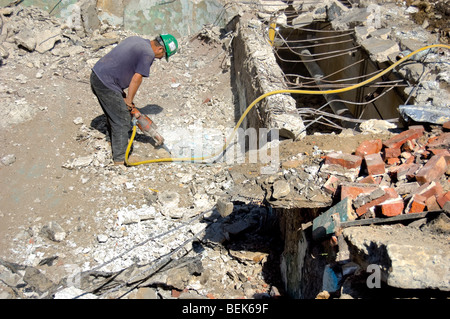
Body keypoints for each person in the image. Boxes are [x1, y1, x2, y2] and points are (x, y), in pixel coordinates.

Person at [90, 34, 178, 166]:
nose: (159, 59)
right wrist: (129, 101)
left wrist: (131, 107)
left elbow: (120, 65)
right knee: (123, 119)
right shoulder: (148, 53)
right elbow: (137, 78)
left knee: (114, 112)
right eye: (162, 56)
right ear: (160, 49)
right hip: (107, 83)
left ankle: (111, 141)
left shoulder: (137, 40)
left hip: (98, 75)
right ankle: (120, 160)